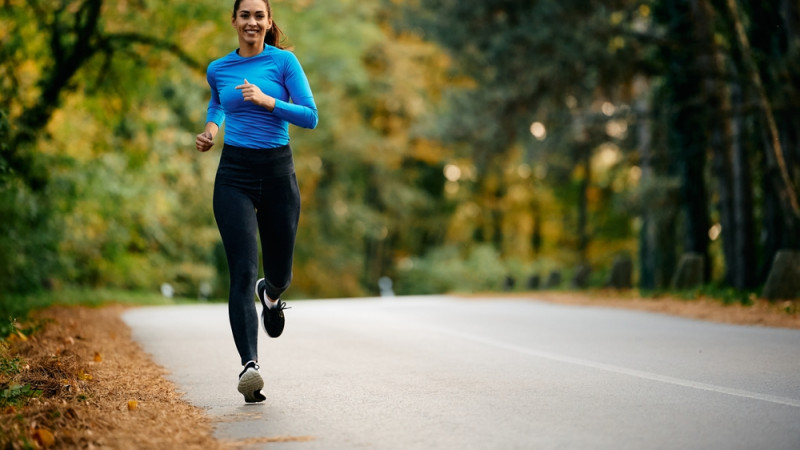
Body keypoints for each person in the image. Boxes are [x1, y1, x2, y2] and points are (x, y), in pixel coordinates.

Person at [195, 0, 318, 403]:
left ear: (268, 23)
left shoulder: (284, 64)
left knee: (278, 272)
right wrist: (212, 128)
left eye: (258, 16)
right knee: (242, 271)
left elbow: (310, 116)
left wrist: (269, 102)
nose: (251, 22)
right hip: (234, 176)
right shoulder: (218, 68)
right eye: (244, 15)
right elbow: (218, 102)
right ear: (234, 21)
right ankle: (250, 368)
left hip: (278, 175)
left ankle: (274, 293)